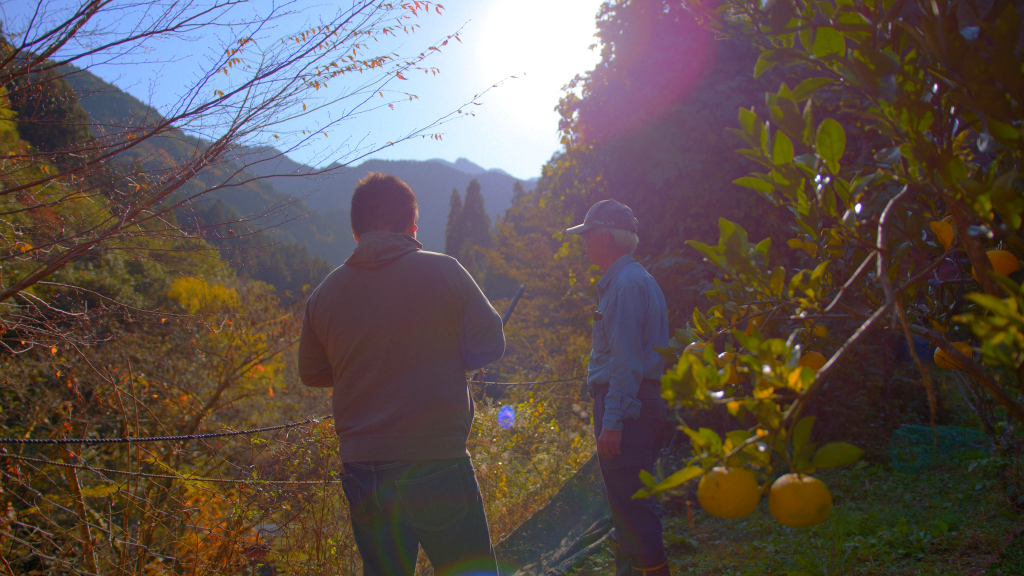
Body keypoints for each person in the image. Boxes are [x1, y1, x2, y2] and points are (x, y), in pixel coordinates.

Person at [298, 172, 505, 576]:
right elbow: (491, 344)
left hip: (363, 468)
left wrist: (363, 365)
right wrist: (440, 357)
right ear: (413, 226)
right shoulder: (446, 271)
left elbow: (312, 372)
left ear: (355, 232)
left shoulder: (325, 293)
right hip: (436, 459)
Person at [566, 199, 671, 576]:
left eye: (588, 234)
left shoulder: (624, 286)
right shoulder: (637, 279)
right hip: (640, 404)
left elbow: (626, 362)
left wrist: (613, 421)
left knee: (633, 512)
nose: (585, 242)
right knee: (628, 509)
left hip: (627, 408)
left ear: (606, 237)